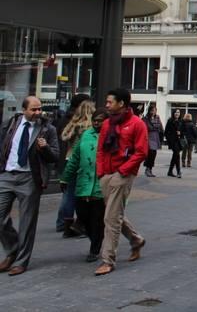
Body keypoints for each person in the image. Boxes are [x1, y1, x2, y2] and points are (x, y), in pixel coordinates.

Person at [0, 96, 59, 275]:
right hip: (7, 175)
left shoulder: (48, 129)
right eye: (34, 110)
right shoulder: (11, 124)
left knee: (27, 222)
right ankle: (13, 249)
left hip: (29, 178)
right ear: (24, 110)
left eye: (39, 109)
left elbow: (55, 156)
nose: (38, 113)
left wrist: (45, 148)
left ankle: (21, 261)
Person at [94, 88, 148, 276]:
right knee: (114, 213)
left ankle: (107, 260)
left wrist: (123, 171)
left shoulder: (137, 124)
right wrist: (101, 172)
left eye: (110, 102)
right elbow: (101, 149)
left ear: (121, 103)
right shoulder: (107, 124)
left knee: (110, 217)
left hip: (122, 174)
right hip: (107, 174)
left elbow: (141, 152)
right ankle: (136, 239)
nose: (107, 105)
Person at [60, 108, 108, 262]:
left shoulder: (112, 135)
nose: (96, 122)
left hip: (101, 185)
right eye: (94, 119)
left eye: (100, 120)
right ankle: (95, 238)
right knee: (82, 215)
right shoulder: (86, 135)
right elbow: (74, 158)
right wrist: (65, 178)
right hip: (84, 183)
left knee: (97, 219)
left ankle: (95, 248)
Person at [58, 99, 95, 238]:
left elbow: (64, 138)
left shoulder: (73, 124)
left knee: (68, 194)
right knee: (83, 195)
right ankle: (80, 225)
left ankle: (63, 223)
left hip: (69, 159)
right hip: (82, 162)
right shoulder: (89, 128)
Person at [141, 104, 163, 178]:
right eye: (152, 110)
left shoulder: (157, 117)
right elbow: (147, 127)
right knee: (150, 152)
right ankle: (147, 168)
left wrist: (157, 128)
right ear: (149, 111)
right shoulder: (146, 118)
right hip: (149, 136)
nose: (153, 112)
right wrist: (155, 127)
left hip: (155, 137)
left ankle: (150, 169)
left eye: (155, 110)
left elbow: (160, 126)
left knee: (154, 153)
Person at [166, 110, 184, 179]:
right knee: (177, 154)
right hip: (173, 141)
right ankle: (178, 171)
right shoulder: (170, 121)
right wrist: (169, 139)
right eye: (176, 112)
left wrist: (180, 133)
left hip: (179, 141)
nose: (177, 114)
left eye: (178, 112)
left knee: (175, 155)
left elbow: (183, 131)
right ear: (173, 113)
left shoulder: (181, 121)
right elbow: (166, 132)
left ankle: (170, 171)